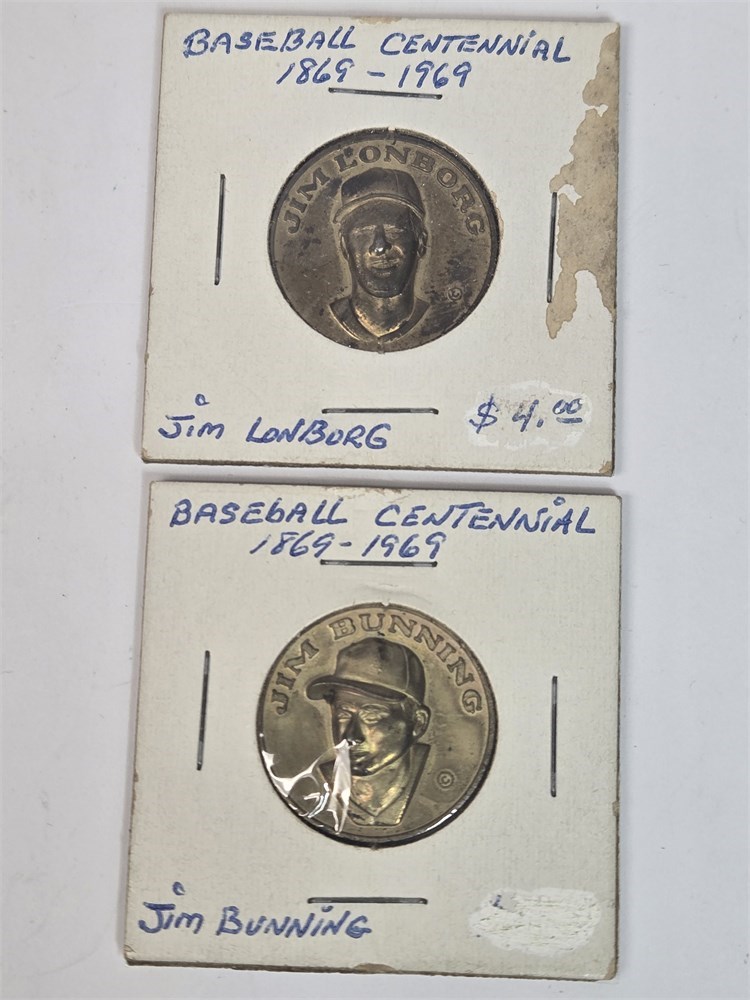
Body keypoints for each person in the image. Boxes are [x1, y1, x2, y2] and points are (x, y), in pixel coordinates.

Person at [306, 637, 431, 827]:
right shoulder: (314, 784)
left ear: (418, 723)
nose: (351, 736)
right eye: (343, 714)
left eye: (371, 716)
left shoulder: (439, 783)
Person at [330, 168, 429, 346]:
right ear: (344, 246)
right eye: (364, 233)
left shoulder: (438, 316)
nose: (380, 247)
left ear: (421, 242)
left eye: (395, 231)